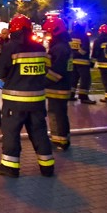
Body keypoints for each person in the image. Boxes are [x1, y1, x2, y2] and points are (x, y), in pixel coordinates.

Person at [0, 14, 55, 178]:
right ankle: (47, 167)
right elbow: (46, 69)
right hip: (38, 101)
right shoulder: (40, 48)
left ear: (13, 29)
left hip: (15, 102)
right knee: (39, 133)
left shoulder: (10, 47)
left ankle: (10, 167)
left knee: (11, 133)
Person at [42, 17, 73, 151]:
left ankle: (60, 141)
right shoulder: (61, 46)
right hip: (60, 87)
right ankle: (61, 138)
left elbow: (56, 72)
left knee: (56, 114)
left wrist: (43, 82)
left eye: (47, 32)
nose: (46, 35)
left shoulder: (60, 48)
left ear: (55, 31)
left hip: (58, 88)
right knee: (59, 114)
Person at [70, 21, 96, 104]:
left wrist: (72, 55)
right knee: (85, 79)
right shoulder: (83, 36)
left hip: (72, 62)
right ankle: (83, 97)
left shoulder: (70, 36)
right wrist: (78, 54)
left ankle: (71, 95)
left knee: (73, 79)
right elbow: (85, 49)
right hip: (83, 62)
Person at [92, 24, 107, 105]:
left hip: (103, 65)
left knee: (106, 81)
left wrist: (92, 64)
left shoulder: (98, 41)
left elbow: (94, 54)